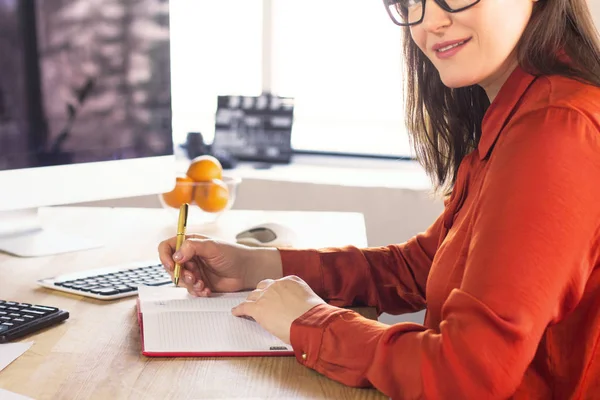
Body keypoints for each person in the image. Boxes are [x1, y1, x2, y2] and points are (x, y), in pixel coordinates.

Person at [159, 0, 600, 398]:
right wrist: (255, 266)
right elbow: (418, 267)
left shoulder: (556, 131)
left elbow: (465, 376)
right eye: (412, 1)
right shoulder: (524, 114)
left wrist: (313, 320)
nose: (430, 21)